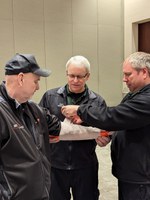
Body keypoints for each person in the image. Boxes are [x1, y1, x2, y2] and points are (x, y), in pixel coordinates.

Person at [0, 53, 107, 200]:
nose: (38, 87)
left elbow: (63, 129)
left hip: (44, 185)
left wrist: (103, 131)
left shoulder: (33, 108)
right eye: (36, 81)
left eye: (80, 76)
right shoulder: (4, 112)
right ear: (21, 79)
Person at [61, 51, 150, 200]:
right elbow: (124, 122)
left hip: (142, 177)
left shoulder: (146, 99)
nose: (124, 79)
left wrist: (80, 110)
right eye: (71, 75)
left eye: (128, 74)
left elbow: (114, 116)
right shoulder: (134, 94)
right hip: (132, 172)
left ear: (144, 73)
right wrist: (105, 133)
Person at [39, 55, 110, 200]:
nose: (75, 81)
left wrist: (106, 138)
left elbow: (107, 129)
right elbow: (39, 125)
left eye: (80, 76)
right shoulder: (50, 97)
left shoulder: (97, 101)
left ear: (88, 76)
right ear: (66, 74)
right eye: (72, 76)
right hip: (55, 166)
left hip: (85, 166)